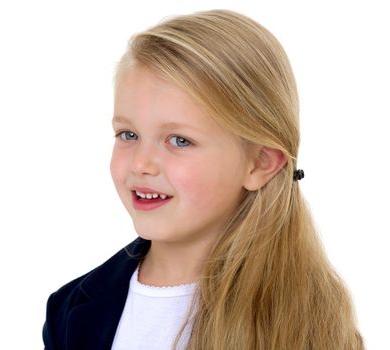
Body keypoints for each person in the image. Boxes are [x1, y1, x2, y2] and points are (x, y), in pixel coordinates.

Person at [42, 9, 364, 350]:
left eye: (179, 140)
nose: (141, 163)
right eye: (128, 134)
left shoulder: (306, 321)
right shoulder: (70, 308)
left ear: (259, 163)